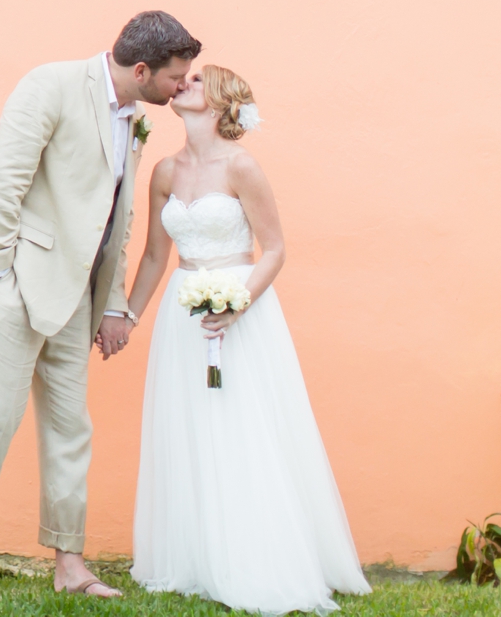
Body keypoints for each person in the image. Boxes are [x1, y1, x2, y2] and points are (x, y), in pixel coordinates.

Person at [0, 11, 202, 602]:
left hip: (80, 298)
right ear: (143, 69)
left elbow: (117, 221)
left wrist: (113, 304)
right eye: (177, 76)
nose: (183, 86)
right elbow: (3, 185)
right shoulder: (49, 85)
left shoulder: (132, 119)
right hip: (20, 286)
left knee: (70, 429)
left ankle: (70, 564)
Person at [118, 64, 369, 614]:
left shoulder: (242, 167)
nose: (181, 82)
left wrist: (237, 305)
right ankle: (197, 555)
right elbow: (156, 256)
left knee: (241, 424)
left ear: (220, 101)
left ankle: (258, 555)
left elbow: (274, 249)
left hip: (239, 308)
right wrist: (128, 318)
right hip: (181, 318)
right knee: (188, 427)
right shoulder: (163, 170)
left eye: (195, 80)